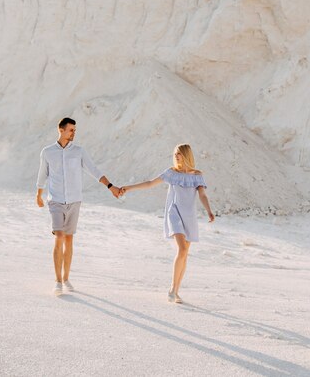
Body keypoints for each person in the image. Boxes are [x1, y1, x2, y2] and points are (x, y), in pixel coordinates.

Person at [36, 117, 122, 296]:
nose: (73, 133)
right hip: (56, 200)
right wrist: (39, 194)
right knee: (58, 236)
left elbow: (94, 170)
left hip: (74, 201)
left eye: (74, 130)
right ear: (61, 130)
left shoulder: (79, 151)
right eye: (70, 130)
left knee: (69, 239)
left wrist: (110, 186)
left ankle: (66, 278)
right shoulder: (47, 152)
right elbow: (42, 174)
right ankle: (57, 281)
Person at [121, 144, 215, 304]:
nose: (176, 156)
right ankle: (172, 288)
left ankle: (176, 290)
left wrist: (209, 210)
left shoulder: (197, 175)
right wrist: (128, 188)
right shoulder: (171, 173)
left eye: (179, 153)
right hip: (174, 213)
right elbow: (150, 183)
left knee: (185, 254)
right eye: (175, 154)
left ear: (186, 154)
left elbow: (203, 195)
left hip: (189, 216)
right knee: (182, 248)